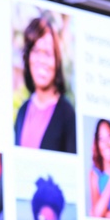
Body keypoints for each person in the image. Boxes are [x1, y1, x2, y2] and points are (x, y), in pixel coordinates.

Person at [14, 16, 76, 153]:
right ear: (28, 57)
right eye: (36, 51)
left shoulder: (67, 114)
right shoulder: (22, 111)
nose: (41, 60)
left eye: (48, 53)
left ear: (56, 60)